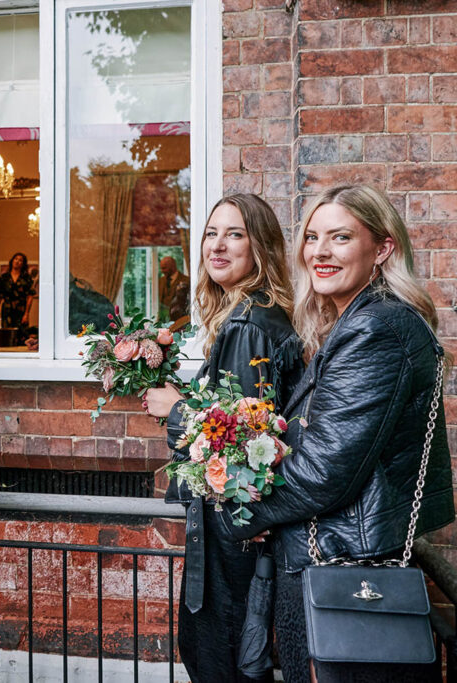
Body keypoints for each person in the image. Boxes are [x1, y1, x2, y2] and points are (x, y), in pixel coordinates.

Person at [213, 185, 455, 682]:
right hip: (335, 557)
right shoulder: (357, 322)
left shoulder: (376, 329)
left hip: (342, 564)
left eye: (340, 237)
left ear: (382, 249)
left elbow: (323, 472)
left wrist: (242, 514)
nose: (319, 252)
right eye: (312, 237)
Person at [145, 194, 304, 683]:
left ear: (261, 247)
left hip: (237, 538)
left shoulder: (249, 324)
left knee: (222, 660)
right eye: (211, 233)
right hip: (246, 536)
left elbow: (244, 449)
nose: (217, 245)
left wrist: (176, 412)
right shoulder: (258, 315)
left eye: (234, 234)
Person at [0, 251, 35, 335]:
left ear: (23, 264)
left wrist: (27, 313)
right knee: (6, 335)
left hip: (20, 310)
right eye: (16, 259)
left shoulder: (26, 278)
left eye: (20, 260)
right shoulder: (4, 277)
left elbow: (30, 296)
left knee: (21, 334)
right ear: (12, 261)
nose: (17, 262)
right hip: (7, 310)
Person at [158, 255, 190, 323]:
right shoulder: (160, 281)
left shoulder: (187, 280)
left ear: (172, 267)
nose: (162, 271)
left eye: (164, 268)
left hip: (180, 322)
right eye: (161, 268)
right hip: (163, 321)